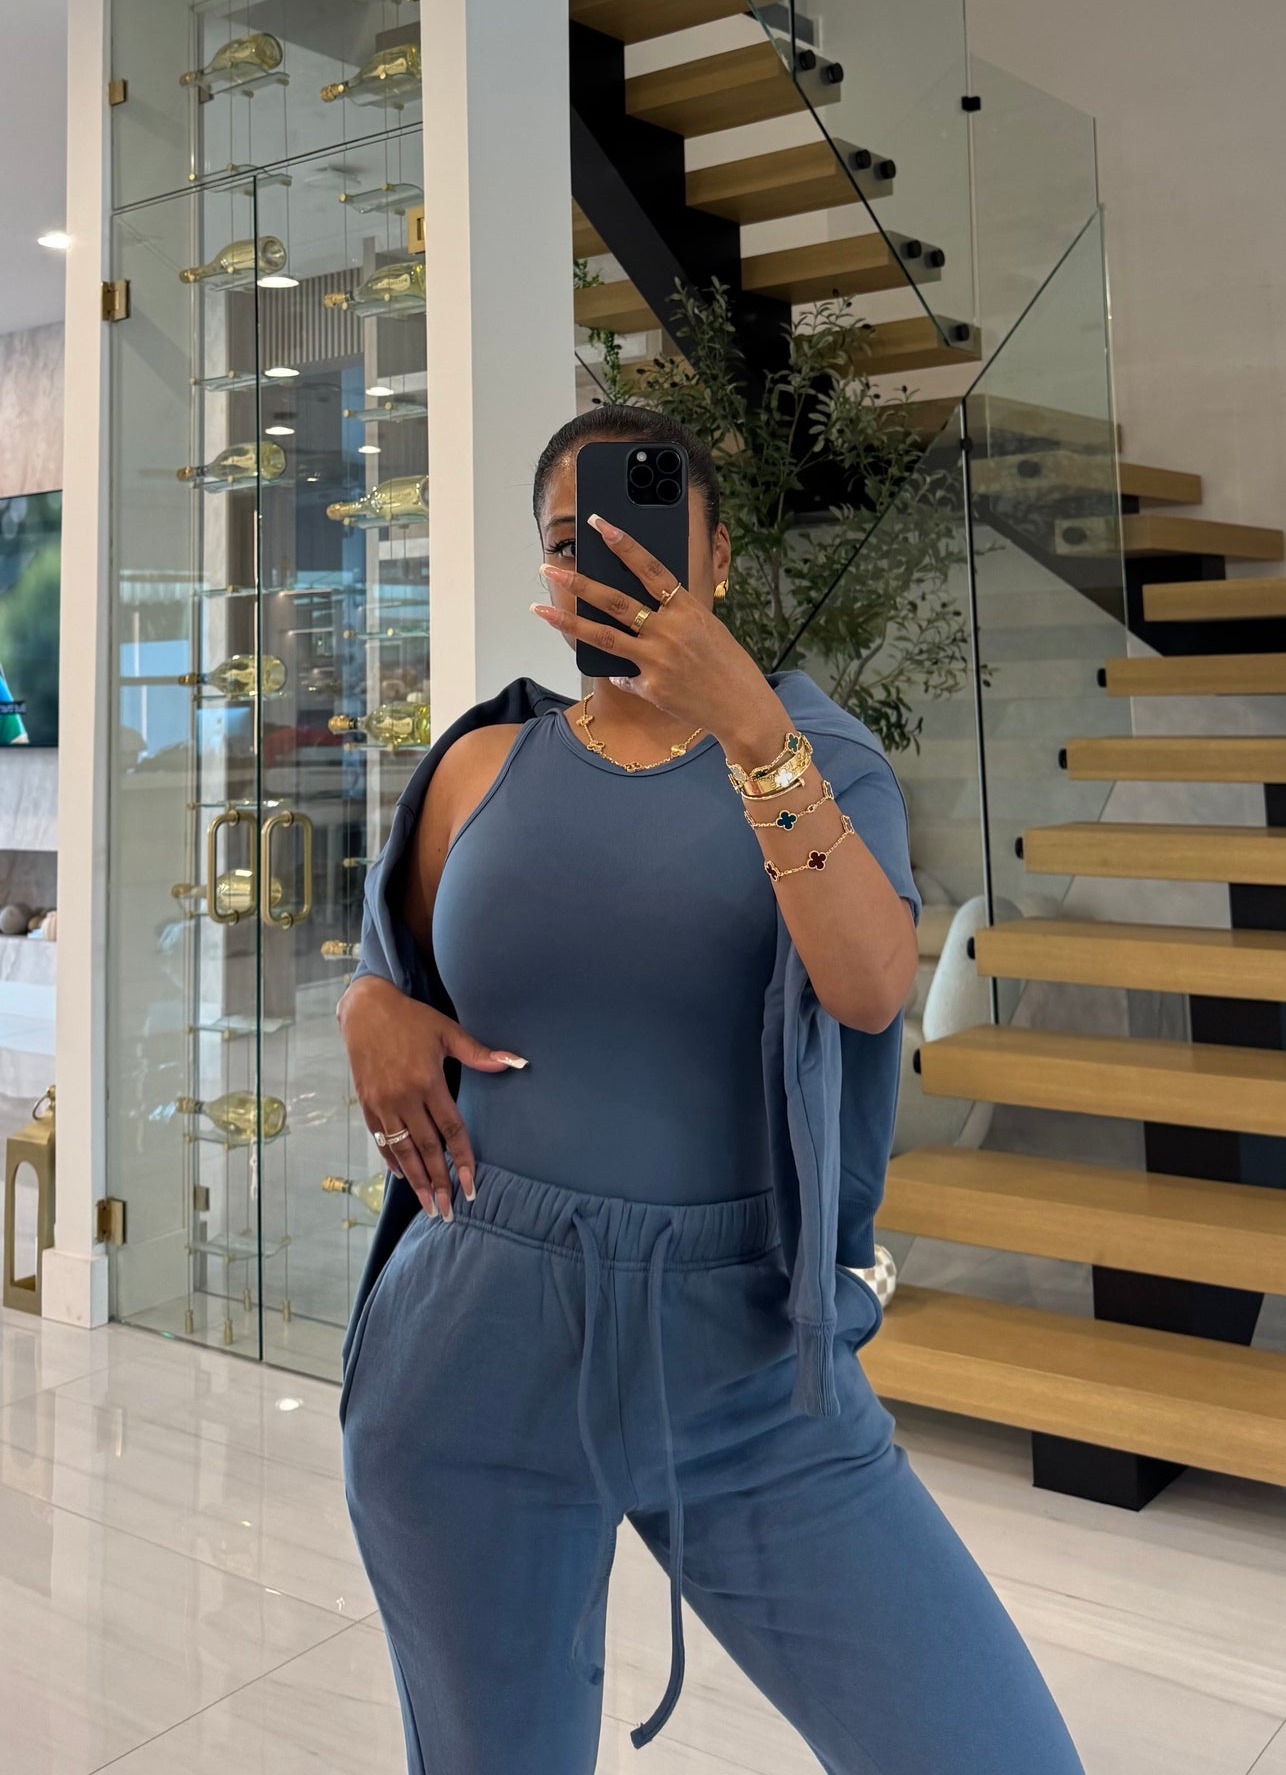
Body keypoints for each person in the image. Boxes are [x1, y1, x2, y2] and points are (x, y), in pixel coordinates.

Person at [337, 404, 1086, 1775]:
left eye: (646, 535)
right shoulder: (482, 763)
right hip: (471, 1342)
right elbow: (408, 974)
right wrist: (365, 1003)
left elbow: (869, 988)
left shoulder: (819, 763)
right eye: (571, 543)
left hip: (744, 1359)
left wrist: (747, 724)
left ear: (720, 559)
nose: (608, 565)